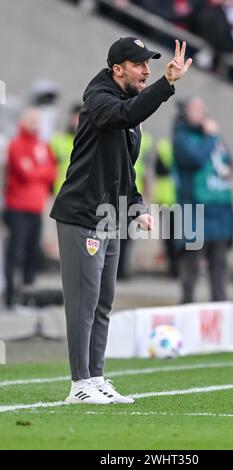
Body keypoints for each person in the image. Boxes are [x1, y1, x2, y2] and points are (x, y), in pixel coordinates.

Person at [50, 37, 192, 405]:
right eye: (140, 64)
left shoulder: (127, 106)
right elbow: (126, 115)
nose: (147, 70)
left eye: (149, 64)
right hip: (82, 216)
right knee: (83, 304)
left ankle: (95, 377)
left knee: (102, 302)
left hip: (109, 218)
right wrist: (167, 84)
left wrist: (139, 206)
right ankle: (78, 383)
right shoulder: (98, 99)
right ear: (118, 69)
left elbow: (124, 169)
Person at [173, 97, 233, 303]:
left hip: (219, 213)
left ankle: (221, 316)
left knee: (219, 271)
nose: (201, 113)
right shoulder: (181, 137)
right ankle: (185, 310)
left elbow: (229, 163)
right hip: (194, 212)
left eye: (202, 109)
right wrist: (211, 138)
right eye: (195, 109)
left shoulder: (214, 137)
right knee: (191, 271)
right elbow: (196, 159)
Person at [3, 107, 57, 308]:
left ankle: (28, 296)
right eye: (32, 120)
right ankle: (10, 297)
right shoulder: (16, 145)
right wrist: (39, 172)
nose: (36, 124)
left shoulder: (43, 145)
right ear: (23, 121)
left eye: (38, 120)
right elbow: (25, 173)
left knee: (32, 254)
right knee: (14, 253)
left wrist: (37, 170)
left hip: (36, 207)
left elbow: (52, 172)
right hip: (17, 207)